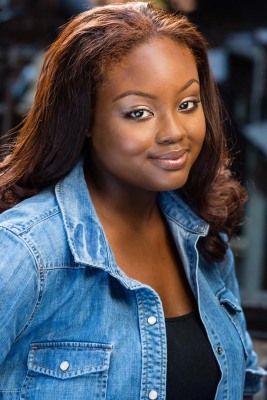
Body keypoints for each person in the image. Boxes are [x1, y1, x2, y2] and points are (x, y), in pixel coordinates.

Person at [0, 2, 266, 399]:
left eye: (187, 104)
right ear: (84, 118)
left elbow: (240, 383)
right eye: (139, 112)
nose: (174, 132)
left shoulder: (205, 240)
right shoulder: (23, 253)